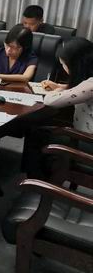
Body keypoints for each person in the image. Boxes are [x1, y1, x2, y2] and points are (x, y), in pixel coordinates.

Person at [23, 37, 93, 177]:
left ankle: (37, 179)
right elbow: (80, 90)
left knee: (38, 135)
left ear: (76, 65)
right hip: (86, 136)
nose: (64, 69)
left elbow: (50, 101)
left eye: (64, 64)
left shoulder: (91, 84)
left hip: (88, 142)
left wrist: (57, 91)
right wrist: (61, 86)